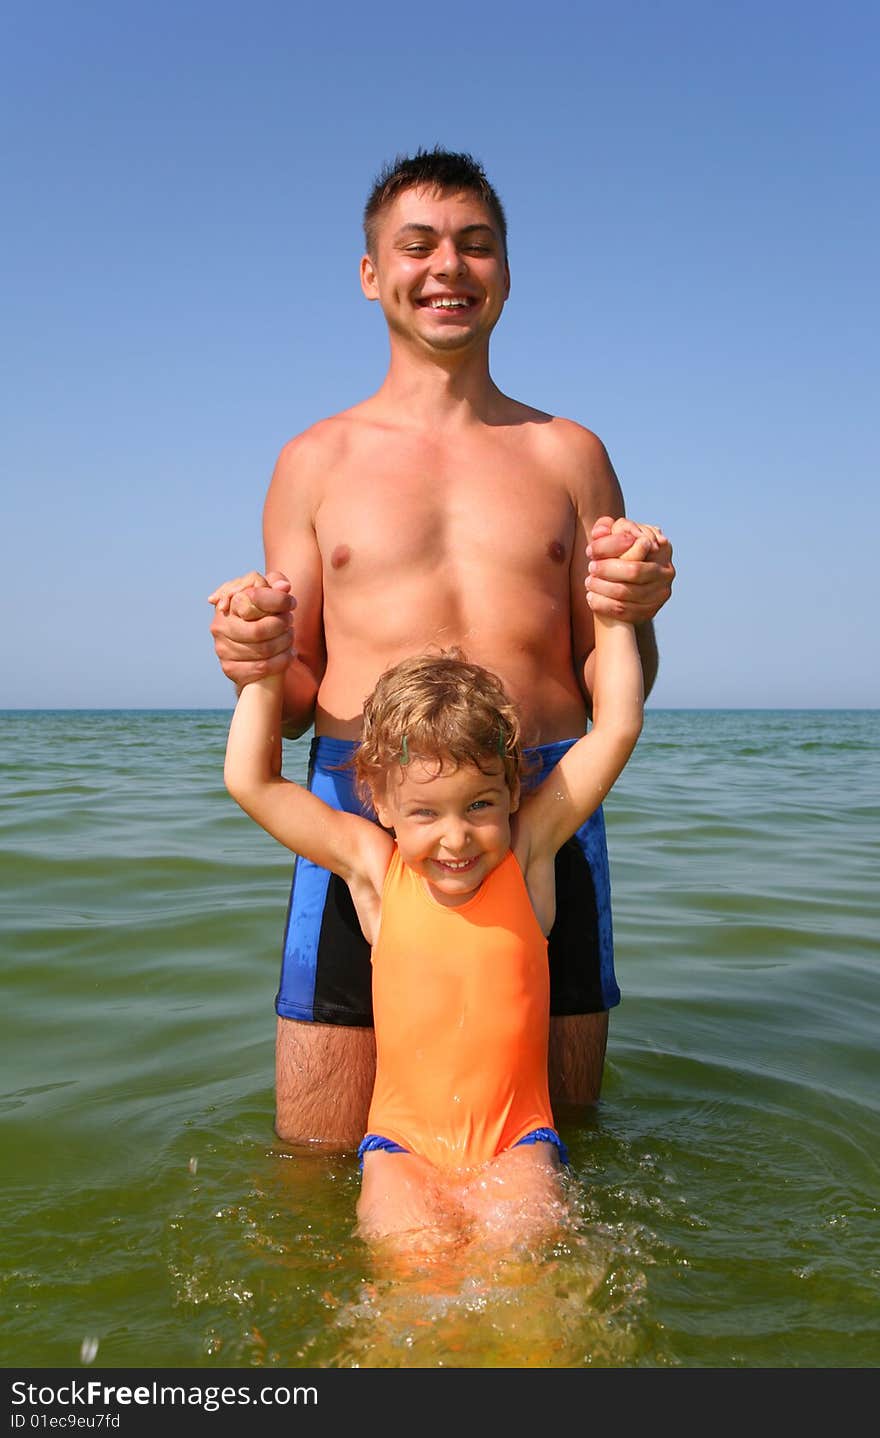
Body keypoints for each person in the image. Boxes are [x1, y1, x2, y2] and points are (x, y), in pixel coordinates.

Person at [208, 147, 675, 1149]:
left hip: (542, 795)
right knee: (320, 1155)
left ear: (506, 268)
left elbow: (612, 682)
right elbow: (293, 696)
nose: (447, 268)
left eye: (475, 245)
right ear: (372, 272)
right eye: (416, 246)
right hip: (360, 804)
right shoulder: (313, 460)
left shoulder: (571, 453)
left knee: (559, 1143)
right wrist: (253, 657)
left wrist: (636, 610)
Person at [216, 520, 653, 1249]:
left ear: (515, 791)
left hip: (518, 1145)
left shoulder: (529, 855)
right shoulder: (375, 871)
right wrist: (263, 670)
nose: (455, 836)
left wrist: (612, 615)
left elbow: (616, 728)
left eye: (479, 805)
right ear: (381, 805)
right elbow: (250, 781)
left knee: (529, 1294)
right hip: (400, 1155)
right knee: (403, 1297)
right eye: (425, 811)